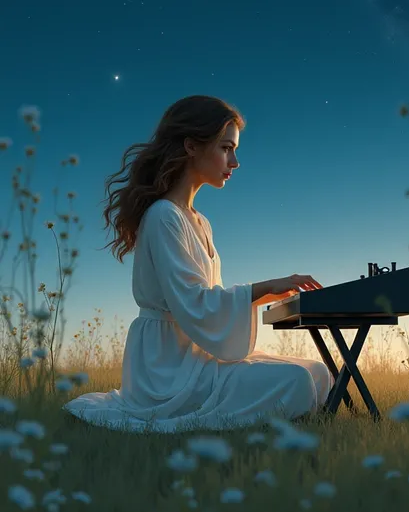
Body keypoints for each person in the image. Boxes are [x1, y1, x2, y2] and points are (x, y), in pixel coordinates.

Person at [63, 95, 333, 433]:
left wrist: (270, 294)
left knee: (319, 373)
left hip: (197, 349)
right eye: (225, 148)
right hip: (168, 366)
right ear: (191, 146)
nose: (234, 162)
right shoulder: (164, 216)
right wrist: (264, 286)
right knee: (295, 381)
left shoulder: (200, 222)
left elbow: (208, 301)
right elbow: (192, 302)